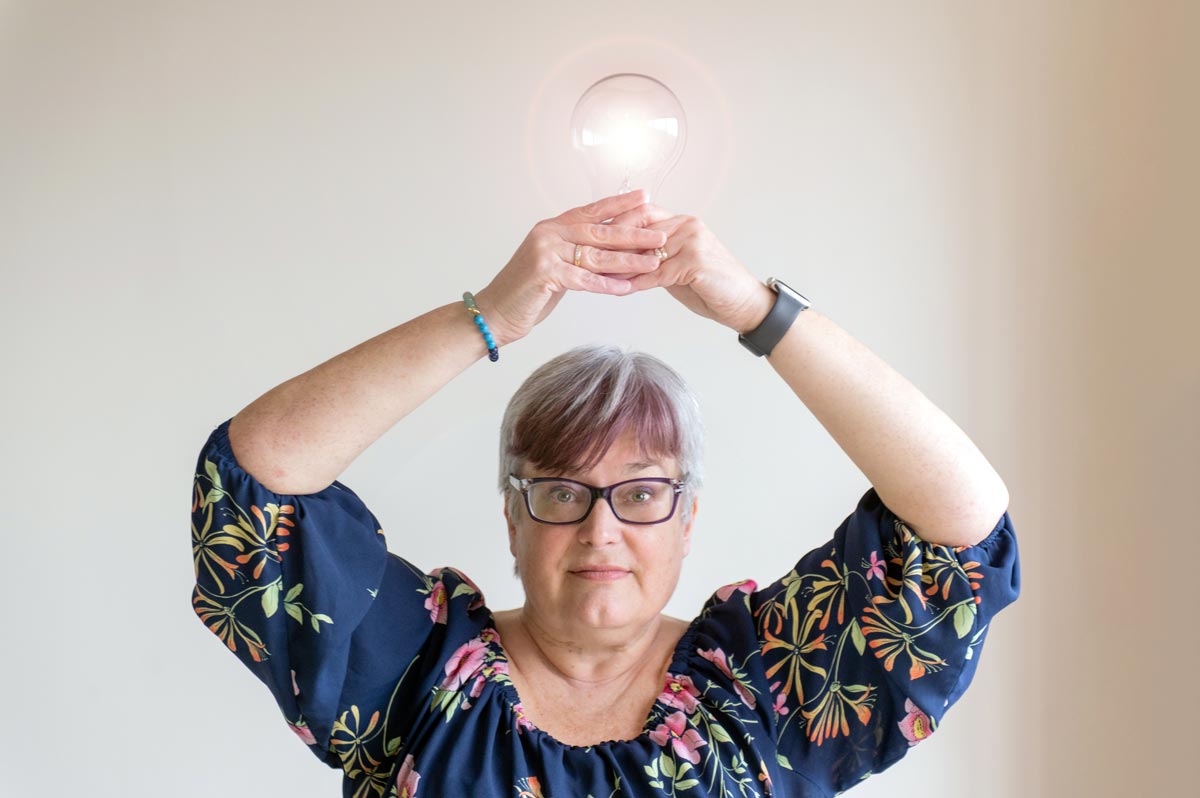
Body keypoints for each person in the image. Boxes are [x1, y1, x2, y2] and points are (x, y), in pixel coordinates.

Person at [190, 189, 1019, 797]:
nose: (601, 531)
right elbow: (253, 484)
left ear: (688, 518)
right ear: (512, 515)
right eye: (561, 492)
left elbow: (963, 530)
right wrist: (491, 317)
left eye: (642, 494)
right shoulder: (415, 672)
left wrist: (758, 311)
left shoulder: (766, 688)